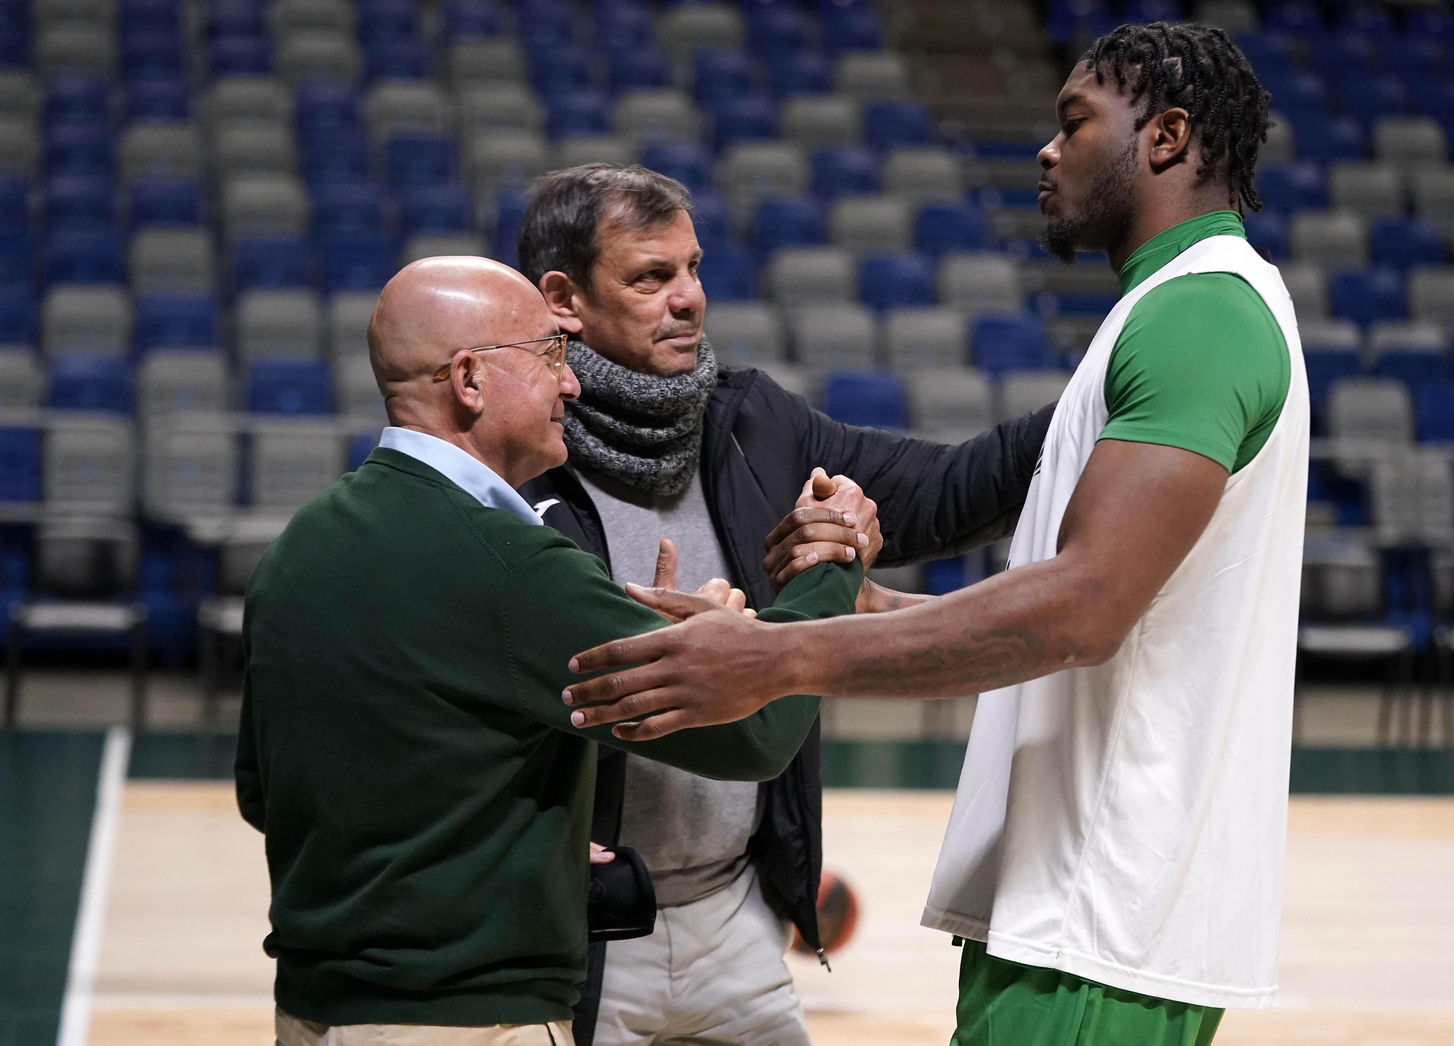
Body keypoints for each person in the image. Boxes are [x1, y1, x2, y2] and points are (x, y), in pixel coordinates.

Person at [563, 23, 1306, 1046]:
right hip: (1072, 902)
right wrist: (866, 604)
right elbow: (1079, 610)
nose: (1047, 151)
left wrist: (772, 655)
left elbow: (1081, 609)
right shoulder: (1168, 314)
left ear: (1168, 136)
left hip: (1099, 908)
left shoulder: (1198, 315)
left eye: (1073, 123)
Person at [234, 256, 874, 1046]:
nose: (571, 386)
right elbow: (755, 734)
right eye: (550, 357)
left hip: (310, 1012)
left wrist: (535, 831)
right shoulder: (510, 568)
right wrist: (829, 565)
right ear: (469, 379)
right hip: (467, 1019)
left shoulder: (299, 546)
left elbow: (265, 795)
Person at [512, 164, 1056, 1046]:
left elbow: (952, 488)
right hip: (579, 934)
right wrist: (834, 564)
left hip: (736, 922)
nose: (688, 298)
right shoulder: (515, 458)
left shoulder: (752, 422)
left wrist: (1109, 391)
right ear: (564, 298)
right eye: (651, 277)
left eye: (692, 269)